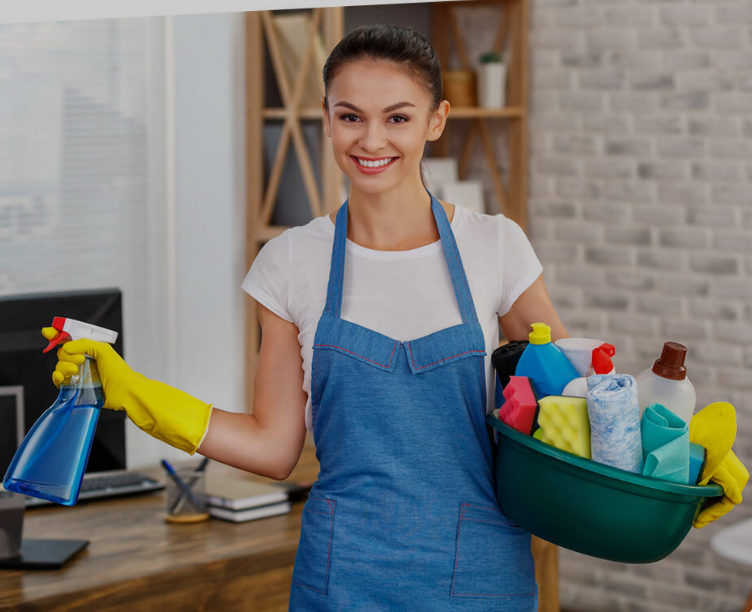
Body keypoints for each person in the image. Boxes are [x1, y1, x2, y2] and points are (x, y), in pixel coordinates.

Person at [47, 24, 569, 612]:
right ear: (326, 117)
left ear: (437, 120)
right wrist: (133, 391)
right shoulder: (290, 262)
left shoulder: (495, 247)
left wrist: (679, 469)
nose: (372, 140)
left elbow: (572, 412)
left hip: (480, 569)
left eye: (397, 117)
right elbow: (273, 447)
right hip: (343, 573)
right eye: (351, 116)